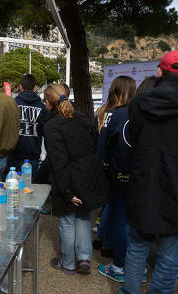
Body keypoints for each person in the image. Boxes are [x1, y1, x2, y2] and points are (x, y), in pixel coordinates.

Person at [119, 50, 178, 294]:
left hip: (143, 189)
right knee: (168, 261)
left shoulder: (138, 105)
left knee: (136, 251)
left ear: (160, 72)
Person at [43, 83, 108, 275]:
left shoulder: (52, 126)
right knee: (82, 218)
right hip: (88, 178)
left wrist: (67, 191)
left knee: (68, 221)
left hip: (70, 180)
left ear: (49, 102)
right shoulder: (82, 119)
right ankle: (84, 258)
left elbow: (59, 163)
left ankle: (68, 262)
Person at [95, 76, 141, 283]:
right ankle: (138, 268)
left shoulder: (112, 114)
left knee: (121, 220)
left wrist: (101, 173)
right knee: (135, 223)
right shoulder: (143, 113)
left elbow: (102, 147)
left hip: (118, 177)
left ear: (114, 90)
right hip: (141, 177)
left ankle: (121, 266)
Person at [7, 74, 47, 183]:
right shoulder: (42, 107)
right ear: (35, 88)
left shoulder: (13, 104)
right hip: (33, 154)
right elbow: (45, 131)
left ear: (20, 87)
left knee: (13, 186)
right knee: (29, 188)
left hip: (14, 153)